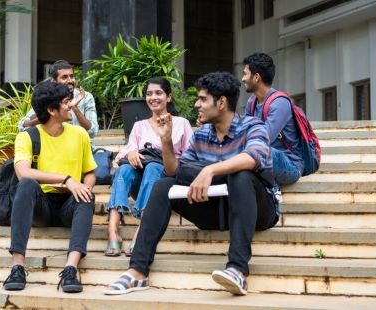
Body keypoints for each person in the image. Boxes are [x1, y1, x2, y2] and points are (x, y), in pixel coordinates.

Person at [103, 72, 279, 296]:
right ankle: (138, 271)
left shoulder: (253, 126)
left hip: (258, 211)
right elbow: (176, 171)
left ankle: (237, 269)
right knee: (163, 185)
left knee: (241, 175)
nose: (197, 104)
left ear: (222, 102)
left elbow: (253, 157)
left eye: (202, 99)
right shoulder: (202, 134)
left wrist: (210, 170)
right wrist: (166, 142)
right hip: (213, 209)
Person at [3, 80, 97, 293]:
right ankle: (17, 266)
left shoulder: (79, 134)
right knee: (26, 184)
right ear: (51, 110)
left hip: (69, 205)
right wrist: (65, 179)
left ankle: (70, 268)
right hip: (41, 206)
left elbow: (90, 172)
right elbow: (23, 172)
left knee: (87, 195)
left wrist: (84, 188)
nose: (71, 105)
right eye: (66, 102)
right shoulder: (26, 136)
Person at [105, 77, 193, 257]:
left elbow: (191, 157)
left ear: (168, 97)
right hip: (142, 183)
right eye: (149, 93)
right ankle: (112, 232)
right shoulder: (139, 126)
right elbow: (122, 155)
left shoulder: (181, 123)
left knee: (153, 167)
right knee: (123, 169)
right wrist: (130, 154)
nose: (153, 97)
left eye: (158, 93)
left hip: (167, 183)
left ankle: (141, 232)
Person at [242, 52, 303, 185]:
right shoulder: (252, 102)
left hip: (289, 164)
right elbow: (242, 131)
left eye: (245, 74)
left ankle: (272, 194)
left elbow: (264, 138)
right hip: (259, 158)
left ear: (256, 77)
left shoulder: (280, 103)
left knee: (260, 150)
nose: (243, 79)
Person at [18, 60, 99, 138]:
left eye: (72, 76)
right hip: (53, 146)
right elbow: (22, 126)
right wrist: (45, 113)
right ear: (54, 81)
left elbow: (93, 131)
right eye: (64, 77)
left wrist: (74, 108)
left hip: (81, 147)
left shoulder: (86, 96)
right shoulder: (48, 97)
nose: (70, 80)